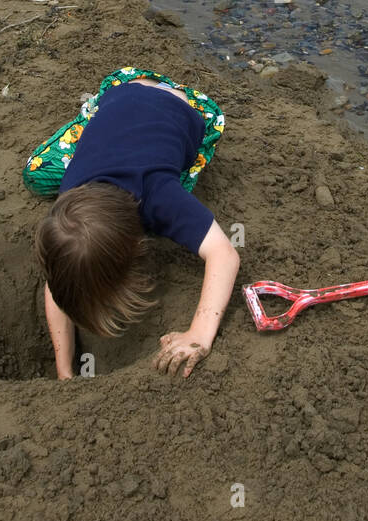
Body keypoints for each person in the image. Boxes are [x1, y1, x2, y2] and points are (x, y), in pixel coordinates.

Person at [25, 68, 236, 380]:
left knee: (185, 175)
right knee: (34, 174)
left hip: (187, 106)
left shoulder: (159, 195)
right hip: (122, 92)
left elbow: (224, 254)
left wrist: (199, 334)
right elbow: (58, 284)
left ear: (134, 248)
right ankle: (103, 112)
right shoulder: (70, 196)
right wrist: (64, 371)